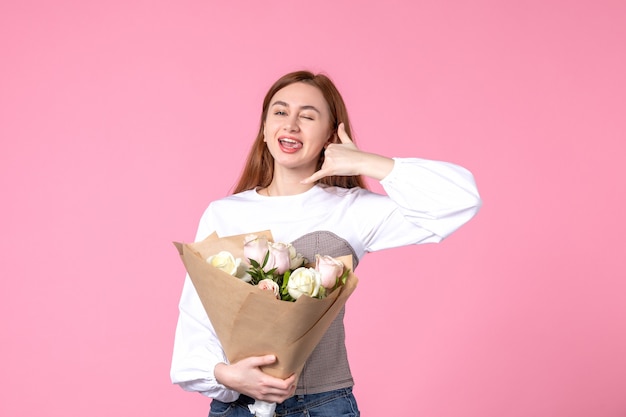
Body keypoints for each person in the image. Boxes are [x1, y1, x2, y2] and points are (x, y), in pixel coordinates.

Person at [171, 70, 482, 416]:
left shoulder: (351, 209)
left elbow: (460, 199)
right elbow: (196, 320)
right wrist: (227, 376)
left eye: (307, 116)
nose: (291, 125)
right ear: (263, 129)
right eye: (279, 112)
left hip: (323, 406)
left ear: (330, 135)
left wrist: (367, 162)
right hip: (237, 406)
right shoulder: (224, 214)